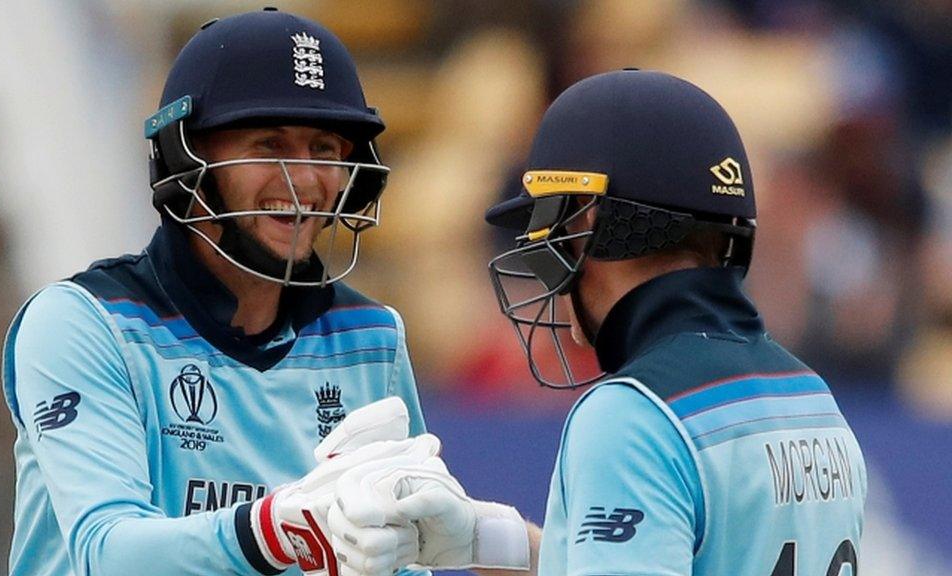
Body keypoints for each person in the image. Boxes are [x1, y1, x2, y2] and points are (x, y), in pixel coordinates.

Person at [326, 70, 868, 575]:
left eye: (548, 222)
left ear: (588, 221)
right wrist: (484, 537)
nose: (542, 256)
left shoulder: (633, 413)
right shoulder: (810, 398)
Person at [1, 9, 433, 576]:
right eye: (269, 144)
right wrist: (275, 529)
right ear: (188, 159)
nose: (304, 180)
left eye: (325, 149)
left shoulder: (371, 338)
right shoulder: (83, 323)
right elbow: (108, 553)